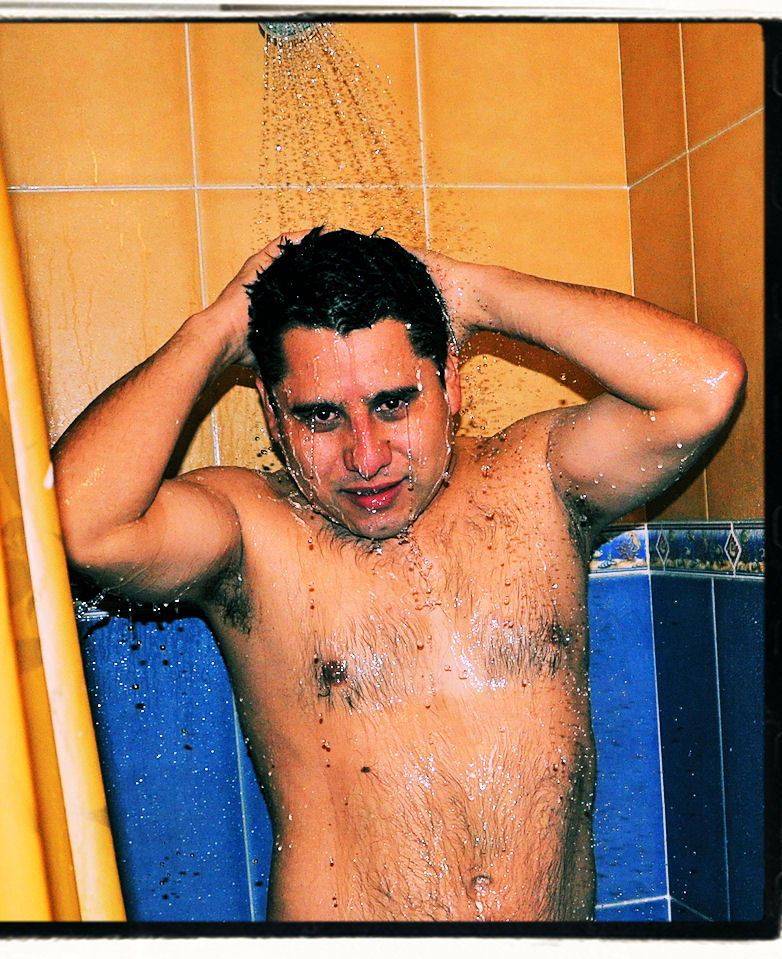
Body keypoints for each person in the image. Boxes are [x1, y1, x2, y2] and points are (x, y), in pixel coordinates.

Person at [52, 226, 746, 921]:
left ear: (449, 382)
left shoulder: (538, 480)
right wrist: (212, 332)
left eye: (393, 404)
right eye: (321, 416)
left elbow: (703, 388)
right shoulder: (249, 531)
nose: (366, 455)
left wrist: (473, 293)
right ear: (272, 414)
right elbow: (83, 525)